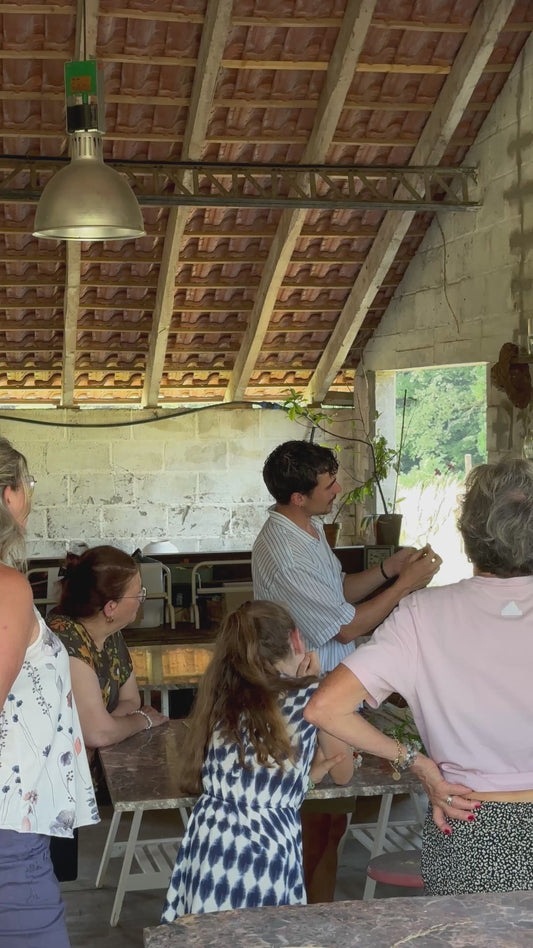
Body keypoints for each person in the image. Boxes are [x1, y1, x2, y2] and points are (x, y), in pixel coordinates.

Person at [305, 457, 533, 896]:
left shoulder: (421, 614)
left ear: (468, 534)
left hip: (470, 826)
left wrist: (418, 765)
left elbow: (325, 707)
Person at [252, 439, 441, 901]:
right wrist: (406, 586)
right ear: (299, 498)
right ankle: (304, 915)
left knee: (334, 815)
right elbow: (344, 627)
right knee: (313, 820)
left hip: (330, 690)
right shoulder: (286, 549)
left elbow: (338, 591)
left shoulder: (308, 530)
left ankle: (320, 911)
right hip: (303, 697)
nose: (338, 489)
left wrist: (389, 571)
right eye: (329, 484)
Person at [161, 600, 352, 920]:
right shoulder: (311, 699)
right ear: (297, 641)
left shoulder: (222, 694)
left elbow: (252, 780)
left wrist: (306, 777)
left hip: (210, 840)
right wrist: (320, 688)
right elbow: (343, 770)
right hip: (265, 847)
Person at [0, 436, 99, 948]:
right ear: (9, 494)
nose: (30, 498)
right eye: (28, 484)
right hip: (8, 829)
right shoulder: (6, 588)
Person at [48, 546, 167, 768]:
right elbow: (99, 734)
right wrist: (142, 720)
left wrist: (107, 723)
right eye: (138, 593)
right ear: (111, 607)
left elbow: (131, 700)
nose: (142, 598)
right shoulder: (66, 636)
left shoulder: (110, 634)